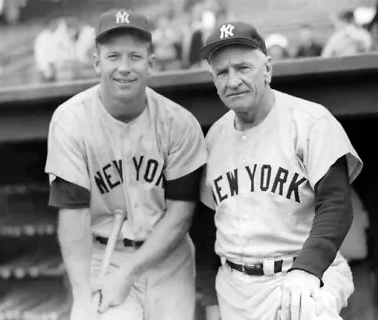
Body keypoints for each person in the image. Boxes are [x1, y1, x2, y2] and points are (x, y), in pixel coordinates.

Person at [45, 8, 207, 320]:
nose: (124, 68)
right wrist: (81, 297)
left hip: (167, 258)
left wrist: (130, 272)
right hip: (101, 254)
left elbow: (180, 214)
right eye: (113, 56)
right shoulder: (70, 121)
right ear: (96, 62)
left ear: (151, 63)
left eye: (135, 56)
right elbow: (74, 217)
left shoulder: (179, 123)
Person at [198, 20, 363, 320]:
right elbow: (214, 216)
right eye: (222, 72)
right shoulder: (214, 138)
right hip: (235, 286)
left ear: (268, 69)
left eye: (243, 68)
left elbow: (336, 204)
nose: (232, 80)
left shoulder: (310, 121)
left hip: (301, 274)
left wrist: (308, 269)